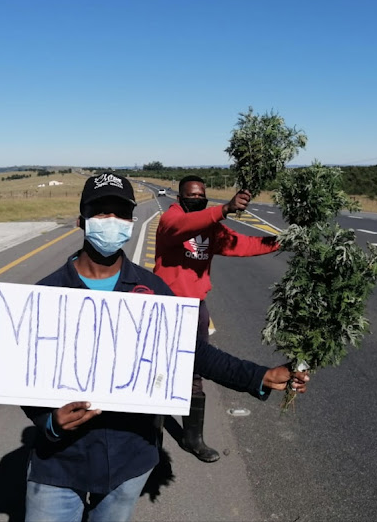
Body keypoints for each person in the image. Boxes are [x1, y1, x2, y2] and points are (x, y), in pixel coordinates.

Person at [22, 172, 309, 522]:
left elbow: (195, 353)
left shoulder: (152, 291)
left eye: (119, 213)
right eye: (100, 212)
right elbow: (23, 372)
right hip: (60, 463)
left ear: (131, 221)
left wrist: (259, 376)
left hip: (129, 461)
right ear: (81, 221)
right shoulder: (46, 294)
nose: (110, 221)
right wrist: (47, 421)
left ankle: (193, 436)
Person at [154, 175, 281, 462]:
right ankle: (151, 442)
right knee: (159, 372)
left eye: (202, 195)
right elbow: (180, 226)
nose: (198, 199)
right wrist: (223, 209)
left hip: (196, 308)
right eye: (192, 196)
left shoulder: (211, 229)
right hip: (165, 307)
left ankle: (192, 439)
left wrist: (281, 242)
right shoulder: (171, 219)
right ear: (180, 198)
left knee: (195, 372)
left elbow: (242, 244)